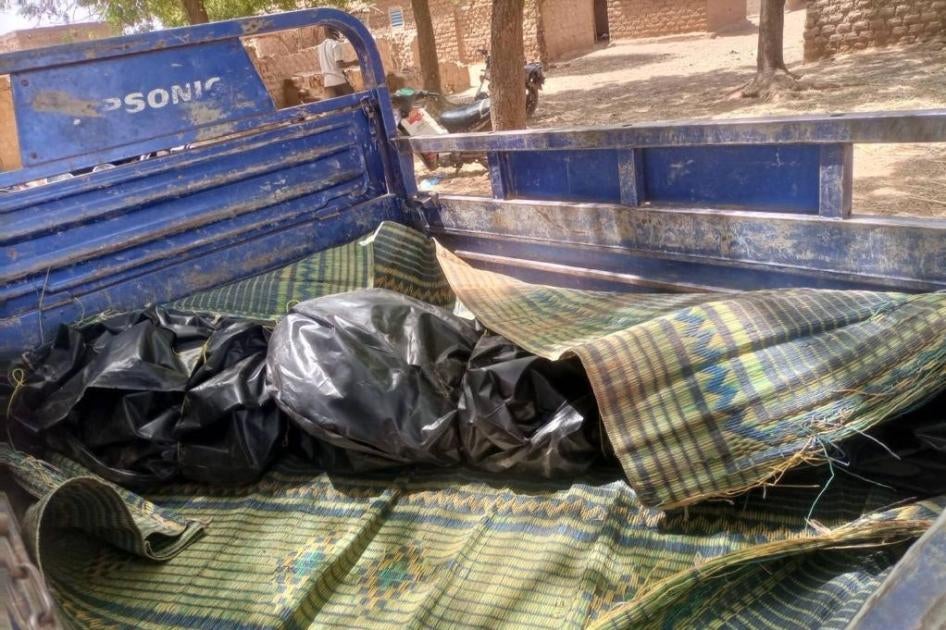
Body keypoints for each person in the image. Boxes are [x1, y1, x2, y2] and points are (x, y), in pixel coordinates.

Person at [317, 28, 356, 98]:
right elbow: (340, 65)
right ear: (334, 31)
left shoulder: (320, 47)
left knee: (336, 107)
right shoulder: (335, 44)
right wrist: (354, 62)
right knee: (354, 101)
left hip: (327, 83)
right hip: (339, 81)